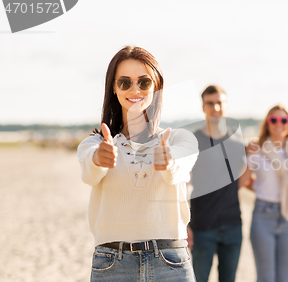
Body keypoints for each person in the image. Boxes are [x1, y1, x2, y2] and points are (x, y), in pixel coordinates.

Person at [77, 46, 199, 282]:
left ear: (156, 86)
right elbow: (89, 172)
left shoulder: (180, 139)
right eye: (125, 82)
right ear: (113, 87)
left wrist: (168, 161)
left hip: (170, 262)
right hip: (112, 264)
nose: (135, 90)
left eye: (143, 82)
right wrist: (100, 159)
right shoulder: (94, 143)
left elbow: (181, 165)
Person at [189, 85, 248, 282]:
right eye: (210, 104)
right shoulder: (193, 141)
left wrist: (253, 159)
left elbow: (241, 181)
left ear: (226, 105)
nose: (215, 108)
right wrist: (185, 225)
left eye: (219, 103)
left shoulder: (238, 139)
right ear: (203, 107)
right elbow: (182, 184)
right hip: (202, 226)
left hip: (233, 225)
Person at [245, 105, 288, 282]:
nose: (279, 124)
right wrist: (261, 188)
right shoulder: (257, 149)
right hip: (264, 215)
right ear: (267, 123)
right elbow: (244, 181)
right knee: (266, 278)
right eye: (274, 120)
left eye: (284, 120)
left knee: (284, 278)